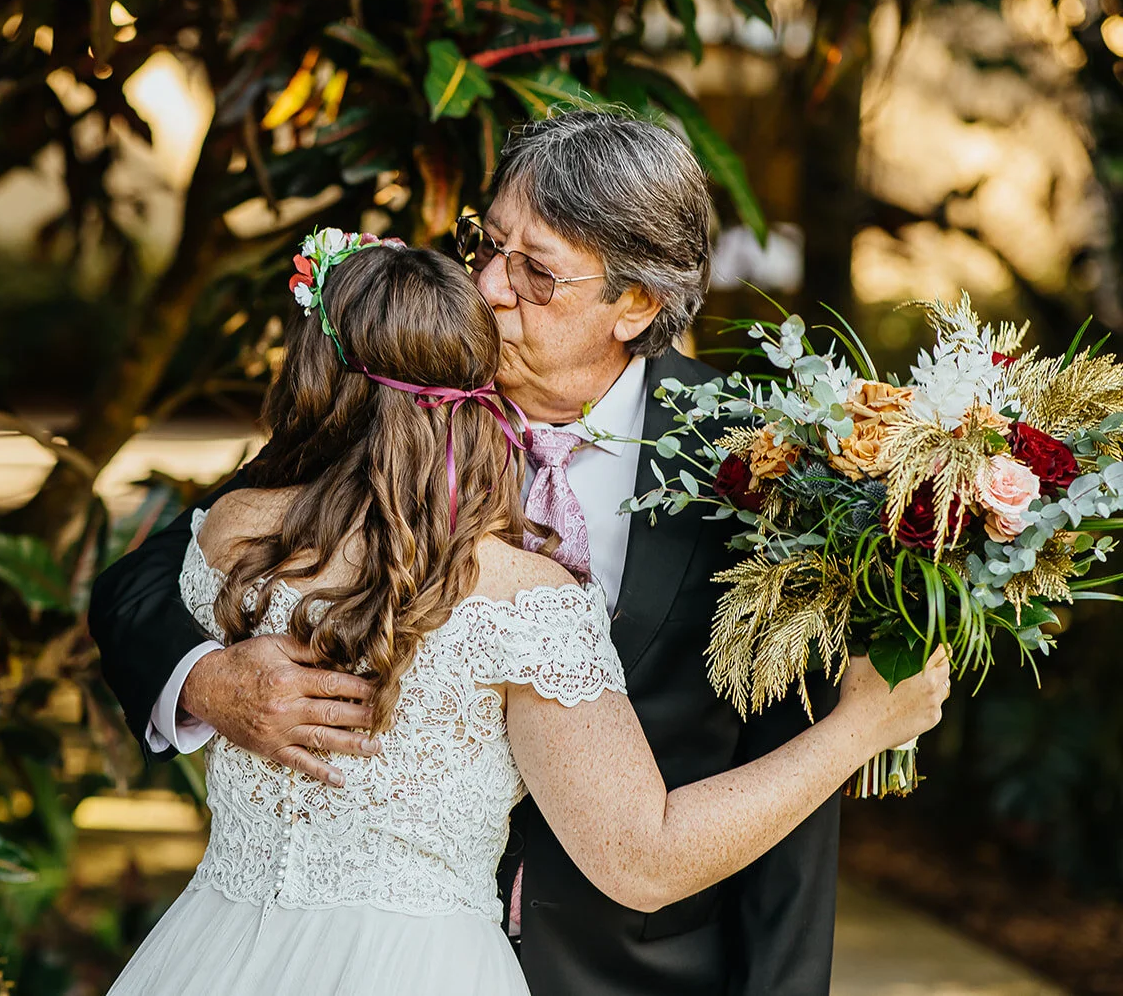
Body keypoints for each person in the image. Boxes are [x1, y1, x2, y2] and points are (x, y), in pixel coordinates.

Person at [94, 226, 949, 996]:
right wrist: (864, 725)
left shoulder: (231, 534)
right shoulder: (522, 600)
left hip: (220, 952)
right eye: (486, 247)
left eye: (534, 270)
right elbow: (642, 854)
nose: (493, 288)